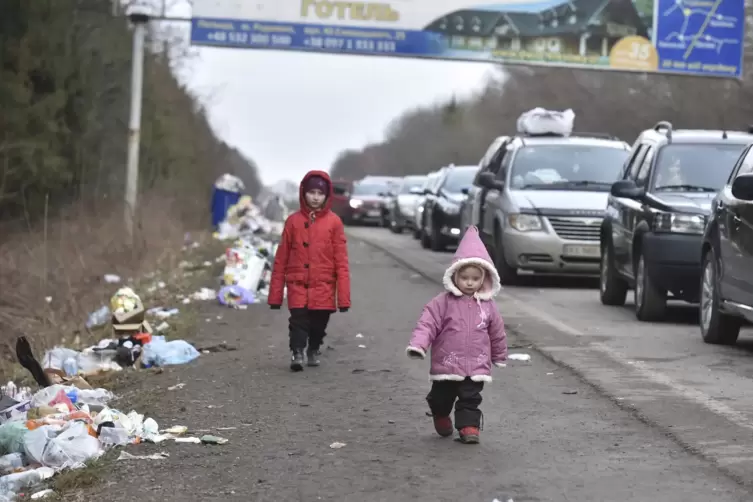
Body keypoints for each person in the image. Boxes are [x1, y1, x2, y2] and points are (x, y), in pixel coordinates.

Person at [406, 226, 507, 444]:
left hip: (476, 364)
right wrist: (419, 345)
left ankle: (469, 427)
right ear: (455, 275)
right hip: (447, 363)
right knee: (443, 396)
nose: (469, 282)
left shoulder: (488, 306)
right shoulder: (442, 303)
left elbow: (496, 332)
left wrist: (499, 356)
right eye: (464, 277)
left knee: (470, 397)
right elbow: (427, 323)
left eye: (475, 278)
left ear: (484, 279)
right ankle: (440, 413)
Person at [268, 171, 351, 371]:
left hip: (324, 285)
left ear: (326, 196)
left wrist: (344, 298)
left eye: (320, 193)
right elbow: (281, 260)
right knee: (298, 322)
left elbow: (341, 261)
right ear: (303, 193)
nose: (315, 197)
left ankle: (313, 348)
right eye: (311, 192)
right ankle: (297, 352)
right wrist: (275, 296)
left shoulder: (334, 223)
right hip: (297, 283)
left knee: (318, 325)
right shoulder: (293, 222)